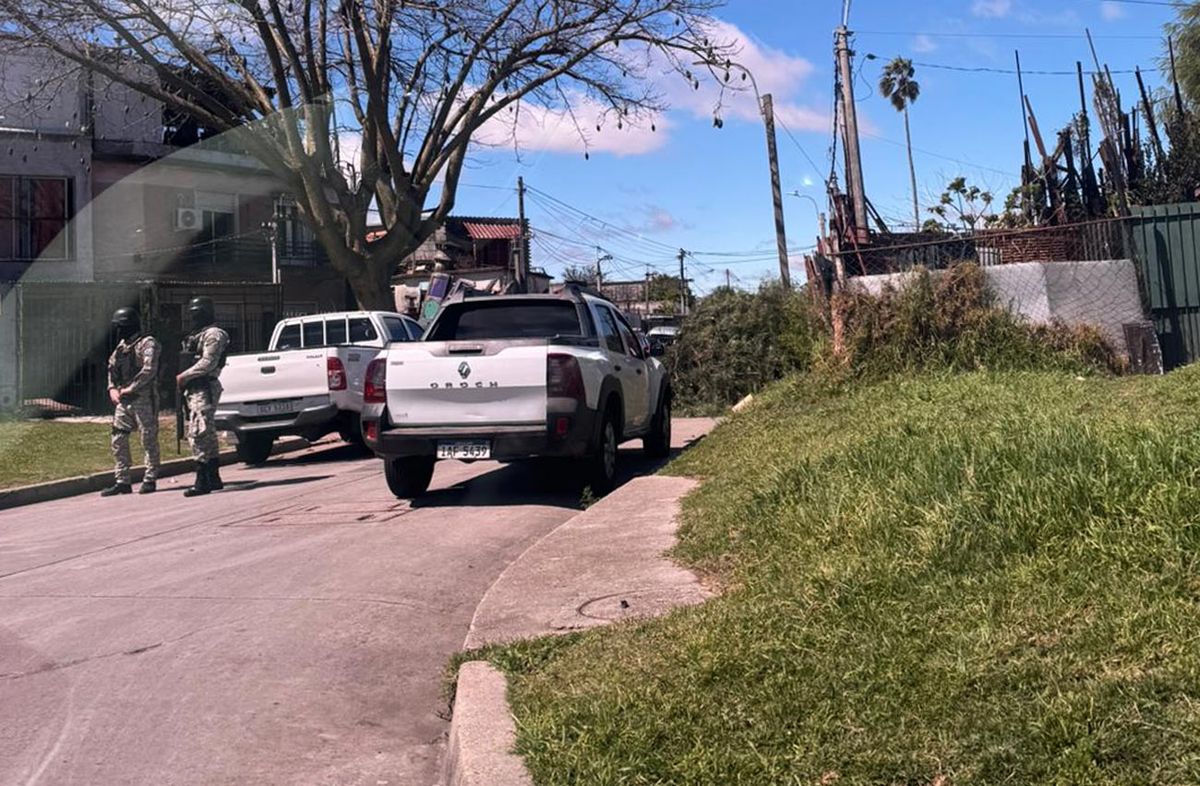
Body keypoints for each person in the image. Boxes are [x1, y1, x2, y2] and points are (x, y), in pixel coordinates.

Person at [101, 307, 162, 496]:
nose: (119, 330)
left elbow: (148, 370)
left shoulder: (147, 343)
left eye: (121, 326)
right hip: (123, 401)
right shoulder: (121, 347)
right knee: (118, 439)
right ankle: (122, 480)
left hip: (143, 399)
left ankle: (150, 478)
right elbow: (111, 368)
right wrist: (112, 389)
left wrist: (130, 388)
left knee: (148, 439)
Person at [176, 296, 230, 497]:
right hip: (193, 388)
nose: (192, 318)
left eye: (195, 313)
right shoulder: (195, 335)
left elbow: (208, 362)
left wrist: (184, 376)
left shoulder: (214, 335)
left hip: (204, 387)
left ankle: (202, 480)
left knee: (198, 432)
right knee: (207, 431)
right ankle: (214, 477)